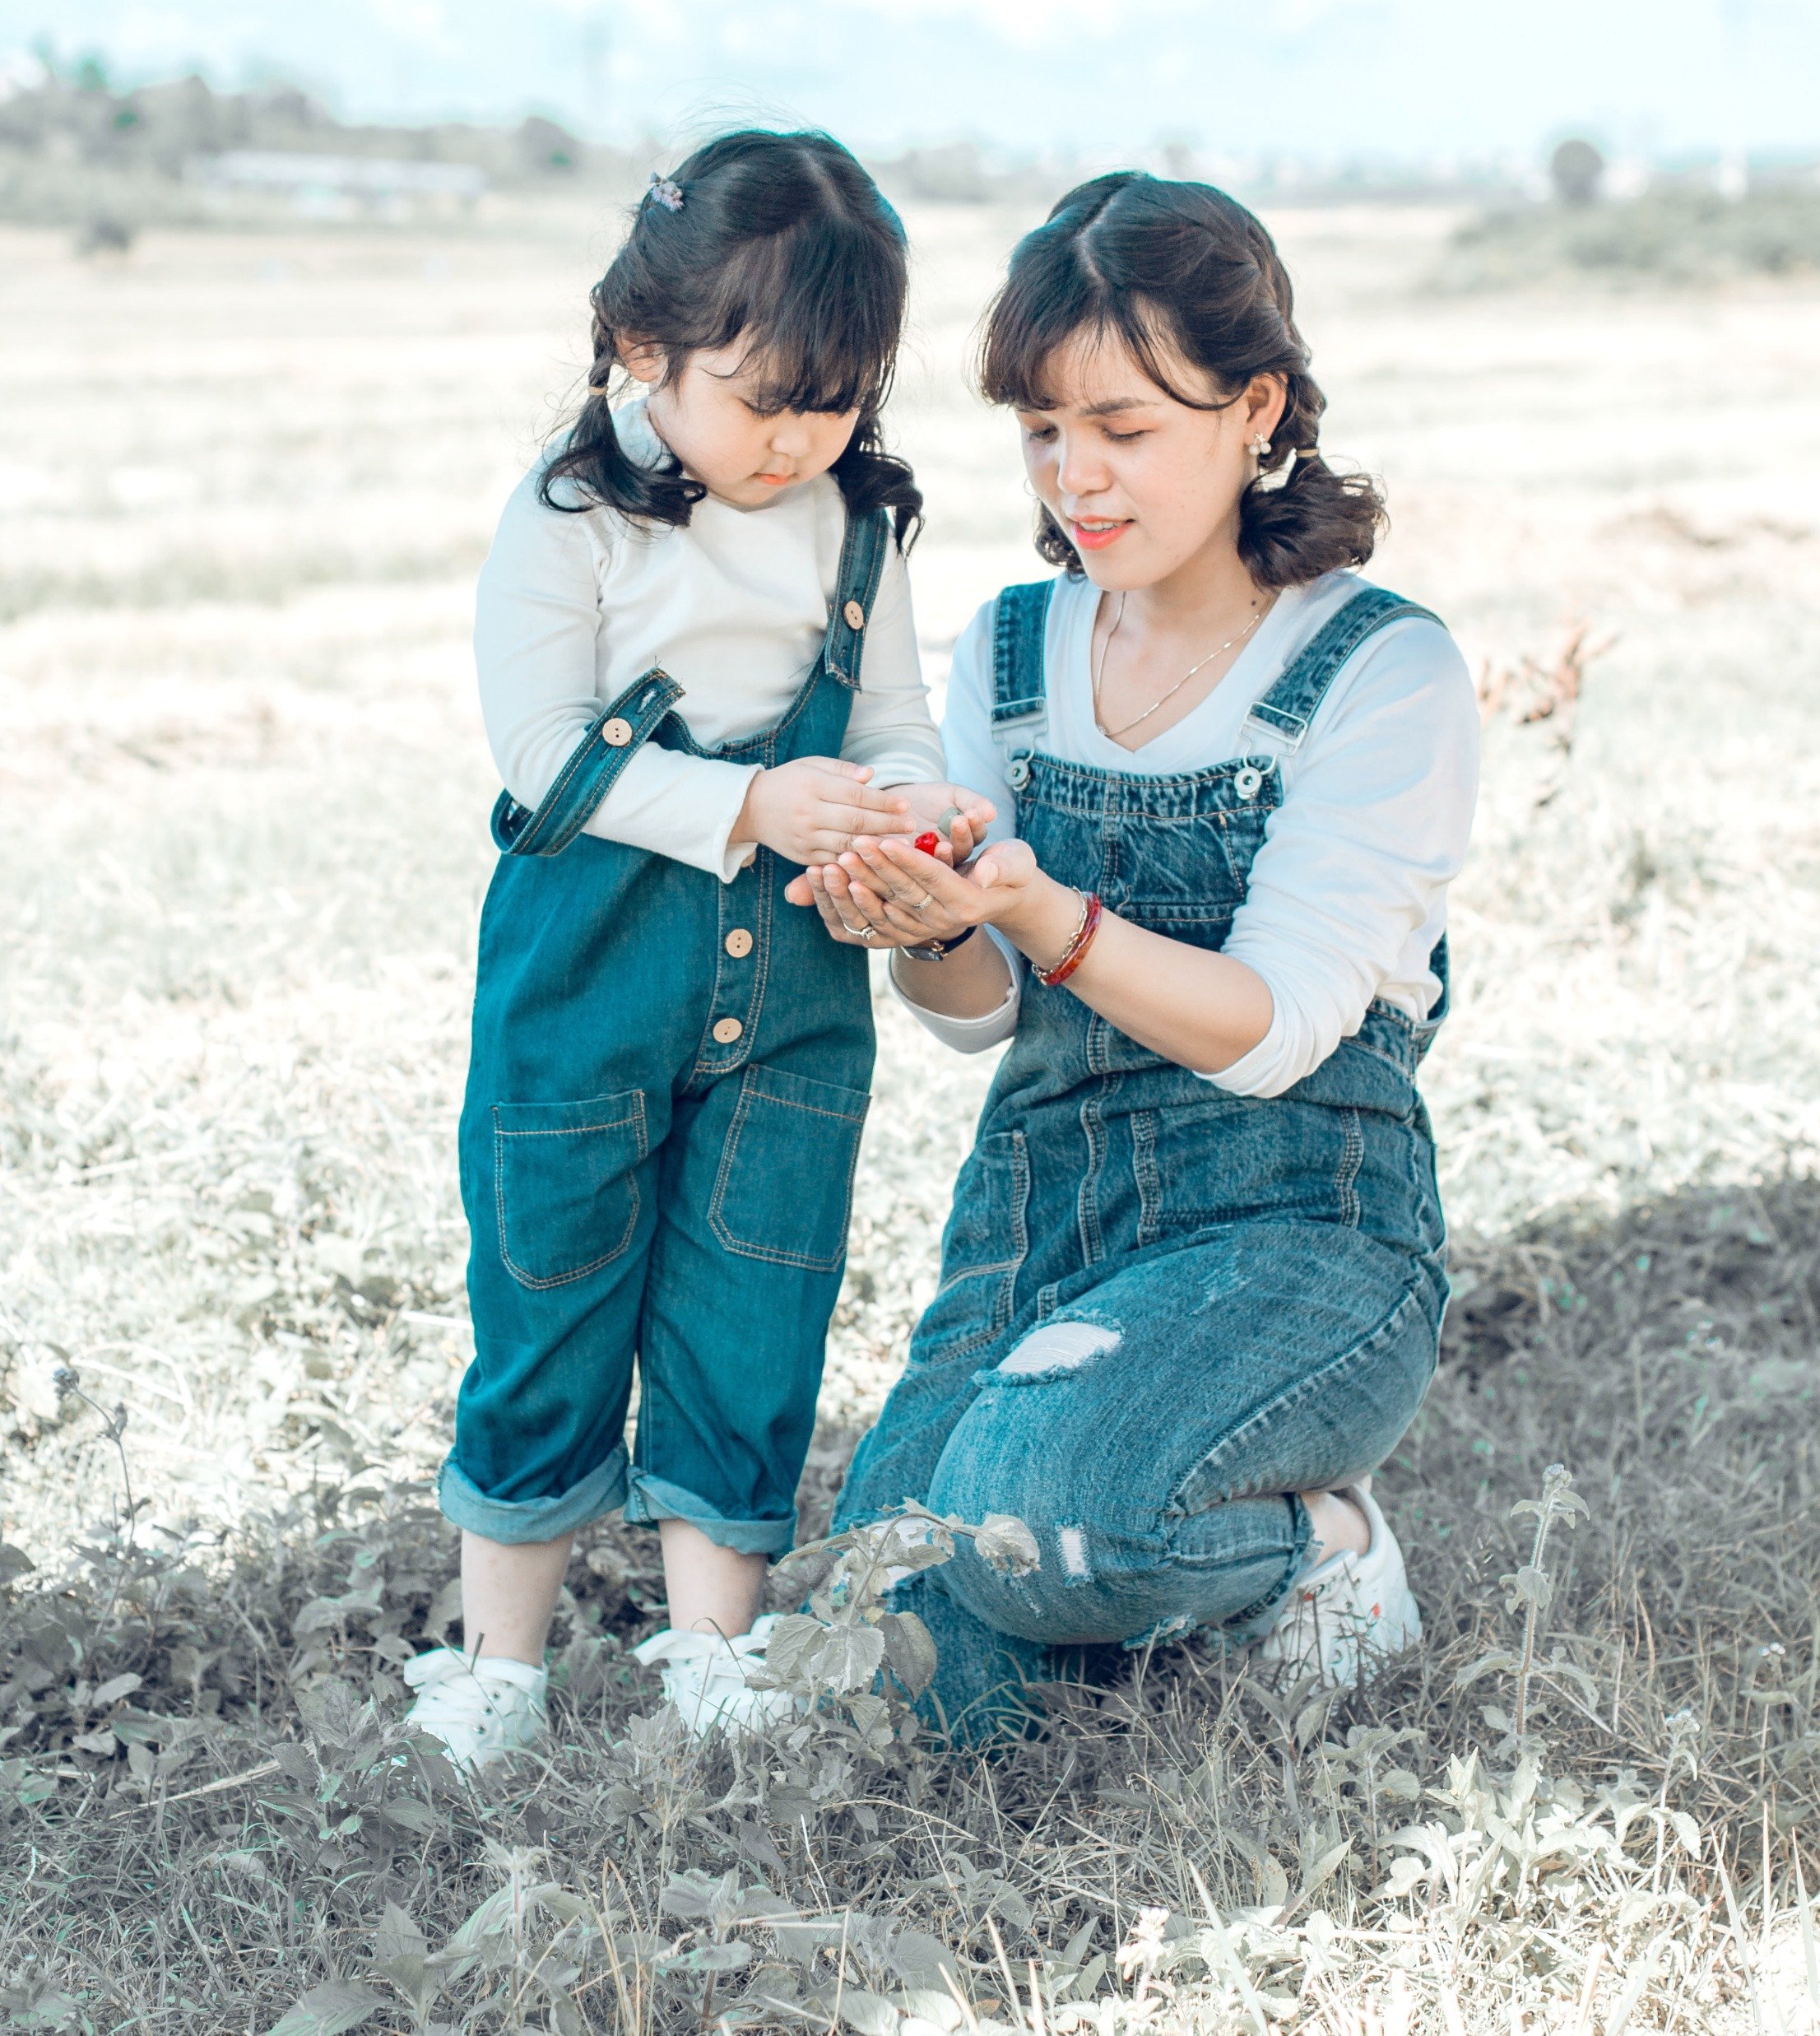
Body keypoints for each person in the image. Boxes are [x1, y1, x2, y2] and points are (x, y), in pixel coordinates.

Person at [792, 171, 1479, 1736]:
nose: (1074, 475)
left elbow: (1279, 1028)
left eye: (1124, 427)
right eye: (1042, 428)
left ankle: (1319, 1540)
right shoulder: (1015, 651)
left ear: (1258, 409)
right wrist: (927, 922)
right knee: (883, 1644)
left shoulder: (1382, 670)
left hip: (1301, 1226)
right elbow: (972, 1017)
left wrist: (1044, 912)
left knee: (1047, 1537)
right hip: (1042, 1209)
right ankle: (1143, 1548)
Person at [407, 131, 991, 1768]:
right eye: (759, 395)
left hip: (796, 999)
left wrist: (911, 811)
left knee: (755, 1312)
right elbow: (541, 758)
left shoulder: (856, 523)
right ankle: (496, 1671)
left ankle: (711, 1661)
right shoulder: (571, 515)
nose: (794, 435)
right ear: (643, 347)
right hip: (585, 983)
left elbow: (891, 727)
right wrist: (753, 808)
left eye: (836, 398)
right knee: (550, 1305)